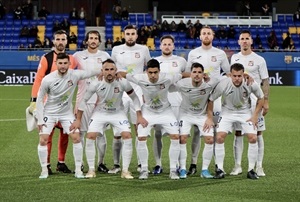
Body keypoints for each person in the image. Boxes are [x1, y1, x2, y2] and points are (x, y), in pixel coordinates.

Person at [71, 59, 147, 179]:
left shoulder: (123, 82)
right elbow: (83, 101)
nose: (109, 72)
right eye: (106, 69)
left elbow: (135, 98)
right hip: (100, 113)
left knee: (127, 135)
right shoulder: (96, 83)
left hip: (118, 113)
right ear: (102, 71)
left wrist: (139, 115)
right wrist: (78, 120)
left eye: (112, 69)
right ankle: (91, 170)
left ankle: (125, 171)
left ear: (116, 70)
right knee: (90, 136)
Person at [118, 59, 190, 180]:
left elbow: (183, 75)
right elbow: (123, 74)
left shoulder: (168, 78)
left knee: (175, 137)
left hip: (166, 112)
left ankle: (173, 170)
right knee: (141, 137)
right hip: (148, 112)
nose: (153, 75)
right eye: (150, 72)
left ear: (159, 71)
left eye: (155, 72)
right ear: (146, 72)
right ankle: (144, 169)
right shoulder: (139, 77)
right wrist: (114, 73)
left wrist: (200, 75)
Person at [36, 52, 101, 179]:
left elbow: (90, 72)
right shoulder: (48, 79)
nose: (63, 66)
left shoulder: (74, 74)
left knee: (76, 137)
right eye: (60, 63)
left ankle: (78, 170)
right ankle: (44, 170)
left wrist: (105, 70)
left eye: (65, 63)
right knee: (43, 139)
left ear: (69, 64)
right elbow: (39, 99)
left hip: (66, 114)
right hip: (49, 113)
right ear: (56, 64)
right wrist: (39, 119)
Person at [28, 30, 78, 175]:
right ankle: (47, 165)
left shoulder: (72, 59)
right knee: (47, 135)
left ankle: (61, 163)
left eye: (63, 39)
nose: (61, 42)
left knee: (65, 134)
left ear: (67, 41)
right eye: (58, 39)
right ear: (53, 41)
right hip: (48, 105)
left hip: (64, 106)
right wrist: (34, 101)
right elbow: (38, 79)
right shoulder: (46, 58)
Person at [186, 26, 230, 175]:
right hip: (198, 97)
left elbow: (229, 73)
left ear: (213, 36)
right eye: (203, 33)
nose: (206, 36)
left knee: (216, 132)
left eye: (208, 33)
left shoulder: (220, 54)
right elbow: (187, 73)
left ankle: (219, 166)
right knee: (197, 132)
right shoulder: (193, 53)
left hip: (215, 98)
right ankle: (193, 164)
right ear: (199, 37)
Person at [211, 63, 264, 180]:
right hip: (227, 112)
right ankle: (219, 169)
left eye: (239, 76)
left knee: (253, 138)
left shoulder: (250, 83)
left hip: (245, 113)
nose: (237, 78)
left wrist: (255, 116)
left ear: (243, 74)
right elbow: (211, 99)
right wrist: (209, 117)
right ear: (230, 75)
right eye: (234, 76)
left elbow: (261, 98)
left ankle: (251, 170)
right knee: (219, 137)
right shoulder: (223, 84)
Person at [111, 24, 151, 173]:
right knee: (117, 130)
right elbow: (110, 68)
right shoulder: (116, 50)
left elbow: (150, 69)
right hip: (120, 91)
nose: (130, 36)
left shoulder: (143, 49)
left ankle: (141, 163)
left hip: (138, 91)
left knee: (138, 127)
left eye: (133, 34)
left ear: (136, 35)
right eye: (127, 34)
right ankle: (116, 165)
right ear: (123, 35)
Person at [230, 30, 270, 177]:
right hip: (238, 101)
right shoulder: (234, 58)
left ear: (251, 41)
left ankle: (259, 166)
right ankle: (237, 165)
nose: (245, 41)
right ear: (239, 42)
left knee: (257, 133)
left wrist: (266, 100)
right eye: (242, 39)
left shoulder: (259, 59)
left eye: (247, 38)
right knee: (238, 132)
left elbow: (265, 81)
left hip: (255, 101)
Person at [73, 30, 111, 173]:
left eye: (96, 38)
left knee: (100, 133)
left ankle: (101, 162)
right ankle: (81, 163)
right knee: (82, 132)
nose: (93, 40)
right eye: (91, 38)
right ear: (86, 41)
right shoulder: (78, 56)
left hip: (101, 101)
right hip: (83, 99)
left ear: (99, 41)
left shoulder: (105, 56)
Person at [173, 63, 217, 179]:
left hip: (202, 116)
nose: (197, 75)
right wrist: (180, 75)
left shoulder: (209, 84)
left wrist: (209, 117)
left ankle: (205, 170)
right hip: (185, 115)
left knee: (210, 139)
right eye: (194, 72)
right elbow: (168, 85)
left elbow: (222, 80)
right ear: (190, 74)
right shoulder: (182, 84)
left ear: (203, 74)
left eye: (199, 72)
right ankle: (182, 168)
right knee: (182, 138)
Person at [152, 35, 187, 175]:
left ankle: (177, 164)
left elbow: (187, 76)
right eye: (164, 44)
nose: (167, 46)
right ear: (160, 46)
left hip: (177, 100)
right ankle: (157, 164)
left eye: (169, 44)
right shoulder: (154, 61)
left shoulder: (181, 61)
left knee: (176, 134)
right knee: (157, 134)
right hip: (159, 102)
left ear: (173, 46)